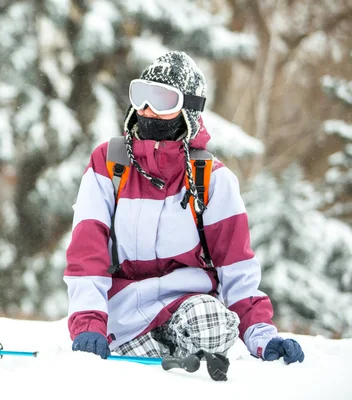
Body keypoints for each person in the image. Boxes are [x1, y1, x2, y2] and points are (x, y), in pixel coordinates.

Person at [64, 51, 304, 365]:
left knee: (212, 326)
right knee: (111, 349)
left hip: (190, 307)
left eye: (162, 100)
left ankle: (177, 355)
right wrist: (88, 322)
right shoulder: (110, 163)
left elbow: (236, 268)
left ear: (188, 110)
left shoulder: (211, 179)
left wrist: (262, 336)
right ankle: (163, 358)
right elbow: (87, 251)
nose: (147, 109)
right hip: (124, 312)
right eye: (141, 96)